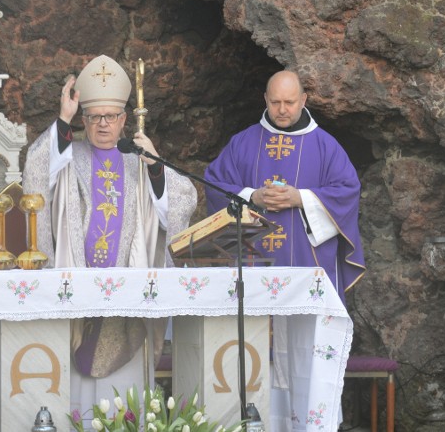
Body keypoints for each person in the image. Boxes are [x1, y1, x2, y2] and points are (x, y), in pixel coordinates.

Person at [22, 54, 197, 412]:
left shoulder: (138, 160)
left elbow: (181, 203)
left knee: (125, 403)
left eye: (111, 117)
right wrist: (64, 117)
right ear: (84, 120)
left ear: (123, 120)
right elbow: (35, 175)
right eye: (94, 117)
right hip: (77, 295)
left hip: (129, 301)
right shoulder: (68, 157)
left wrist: (156, 166)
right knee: (80, 405)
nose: (103, 125)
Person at [203, 69, 365, 431]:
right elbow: (213, 184)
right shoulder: (243, 143)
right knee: (256, 354)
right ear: (265, 99)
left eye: (289, 102)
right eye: (275, 102)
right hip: (253, 274)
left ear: (304, 100)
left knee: (308, 353)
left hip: (310, 274)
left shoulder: (325, 146)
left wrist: (301, 198)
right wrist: (252, 196)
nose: (282, 109)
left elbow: (348, 192)